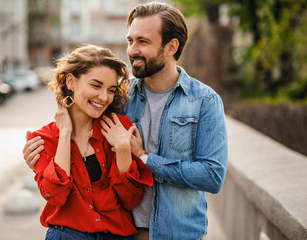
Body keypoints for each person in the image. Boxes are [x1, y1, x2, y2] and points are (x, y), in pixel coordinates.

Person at [23, 2, 228, 239]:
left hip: (180, 233)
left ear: (171, 46)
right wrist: (43, 162)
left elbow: (212, 175)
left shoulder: (204, 101)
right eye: (130, 41)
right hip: (128, 232)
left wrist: (145, 158)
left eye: (143, 41)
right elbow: (79, 111)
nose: (131, 50)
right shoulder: (120, 97)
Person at [27, 44, 153, 240]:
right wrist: (66, 133)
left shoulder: (120, 127)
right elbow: (56, 195)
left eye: (111, 89)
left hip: (117, 235)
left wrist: (122, 150)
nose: (104, 97)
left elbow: (131, 200)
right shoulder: (44, 139)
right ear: (71, 82)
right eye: (96, 85)